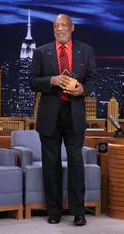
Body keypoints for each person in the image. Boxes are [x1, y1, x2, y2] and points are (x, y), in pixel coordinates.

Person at [29, 14, 97, 226]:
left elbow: (93, 78)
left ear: (72, 27)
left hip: (74, 114)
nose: (60, 29)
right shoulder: (41, 52)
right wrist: (52, 80)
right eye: (56, 26)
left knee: (76, 164)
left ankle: (78, 212)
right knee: (51, 165)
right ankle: (54, 211)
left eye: (64, 25)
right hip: (50, 115)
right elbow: (32, 81)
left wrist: (82, 89)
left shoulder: (85, 50)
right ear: (53, 30)